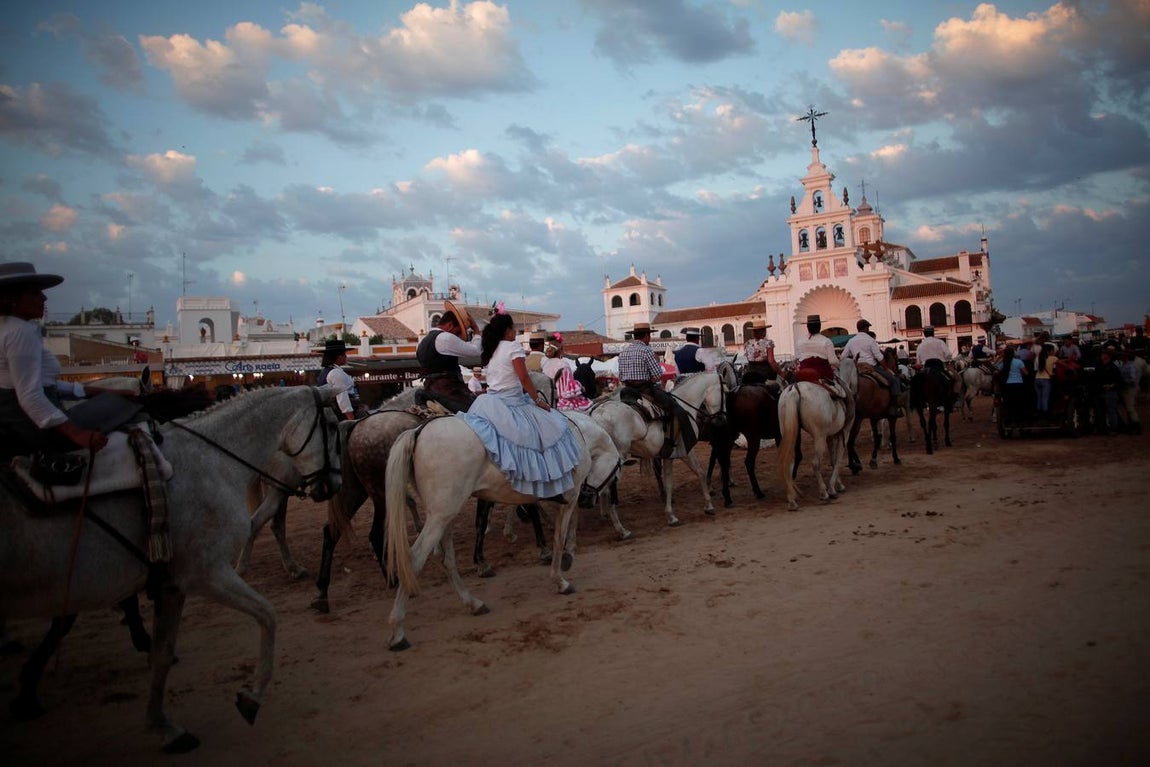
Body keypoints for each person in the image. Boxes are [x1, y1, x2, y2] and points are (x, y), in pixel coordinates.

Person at [460, 309, 581, 498]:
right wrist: (538, 400)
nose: (515, 332)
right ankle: (547, 483)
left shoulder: (491, 349)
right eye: (513, 328)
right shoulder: (512, 347)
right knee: (548, 431)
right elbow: (523, 377)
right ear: (507, 330)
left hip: (490, 401)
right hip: (512, 402)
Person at [0, 263, 110, 460]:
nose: (44, 298)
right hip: (31, 426)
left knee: (112, 401)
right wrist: (76, 433)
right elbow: (30, 395)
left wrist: (89, 390)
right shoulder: (20, 332)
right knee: (121, 410)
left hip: (22, 417)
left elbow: (43, 383)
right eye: (35, 293)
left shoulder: (11, 328)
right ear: (12, 299)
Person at [618, 321, 694, 456]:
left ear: (635, 336)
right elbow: (658, 374)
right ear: (647, 336)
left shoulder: (624, 351)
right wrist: (652, 378)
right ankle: (669, 444)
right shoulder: (647, 351)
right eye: (649, 336)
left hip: (627, 391)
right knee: (678, 410)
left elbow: (622, 376)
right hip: (645, 390)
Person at [415, 301, 483, 413]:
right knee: (479, 412)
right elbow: (475, 351)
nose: (458, 336)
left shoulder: (423, 341)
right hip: (448, 391)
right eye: (458, 332)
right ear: (450, 325)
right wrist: (476, 331)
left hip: (430, 387)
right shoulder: (445, 338)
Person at [842, 319, 900, 414]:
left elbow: (843, 357)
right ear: (866, 328)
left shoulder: (851, 341)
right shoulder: (870, 340)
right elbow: (879, 357)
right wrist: (886, 369)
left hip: (856, 368)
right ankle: (894, 407)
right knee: (894, 381)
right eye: (868, 328)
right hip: (871, 367)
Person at [543, 336, 591, 411]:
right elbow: (569, 386)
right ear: (560, 351)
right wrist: (581, 386)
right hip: (561, 400)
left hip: (547, 399)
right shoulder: (563, 364)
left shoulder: (545, 365)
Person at [316, 339, 358, 420]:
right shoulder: (335, 373)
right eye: (344, 354)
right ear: (338, 357)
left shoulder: (326, 371)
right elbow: (342, 397)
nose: (346, 357)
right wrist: (351, 418)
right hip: (340, 414)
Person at [795, 314, 837, 381]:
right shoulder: (826, 341)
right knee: (838, 390)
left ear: (807, 327)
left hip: (804, 373)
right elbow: (833, 361)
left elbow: (798, 357)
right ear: (819, 326)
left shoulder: (800, 341)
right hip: (823, 374)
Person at [995, 344, 1028, 428]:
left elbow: (997, 372)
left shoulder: (1004, 363)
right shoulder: (1019, 362)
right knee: (1020, 403)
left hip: (1008, 386)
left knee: (1008, 403)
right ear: (1013, 354)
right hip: (1019, 385)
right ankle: (1020, 419)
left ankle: (1009, 419)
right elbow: (1026, 373)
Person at [741, 319, 777, 385]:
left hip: (749, 371)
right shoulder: (768, 343)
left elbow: (748, 358)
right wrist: (780, 372)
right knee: (776, 388)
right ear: (764, 331)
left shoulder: (747, 343)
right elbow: (771, 361)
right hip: (764, 372)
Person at [1033, 343, 1057, 416]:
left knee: (1039, 397)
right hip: (1046, 380)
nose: (1054, 352)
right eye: (1053, 350)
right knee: (1045, 397)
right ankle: (1045, 413)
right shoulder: (1052, 358)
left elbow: (1035, 369)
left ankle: (1039, 412)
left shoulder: (1038, 357)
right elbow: (1056, 367)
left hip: (1037, 379)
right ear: (1048, 351)